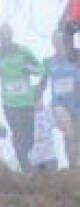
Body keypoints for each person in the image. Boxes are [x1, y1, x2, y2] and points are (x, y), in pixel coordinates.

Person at [0, 23, 43, 172]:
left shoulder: (23, 51)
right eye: (1, 35)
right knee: (18, 132)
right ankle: (25, 165)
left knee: (29, 137)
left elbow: (41, 68)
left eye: (7, 34)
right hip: (9, 103)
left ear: (11, 35)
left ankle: (25, 157)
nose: (5, 38)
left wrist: (30, 69)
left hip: (26, 101)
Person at [39, 30, 80, 165]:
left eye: (61, 41)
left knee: (76, 135)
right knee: (68, 130)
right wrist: (36, 98)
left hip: (77, 101)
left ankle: (75, 164)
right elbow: (42, 83)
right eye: (55, 41)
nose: (58, 44)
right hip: (59, 104)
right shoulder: (48, 62)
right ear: (53, 43)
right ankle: (73, 165)